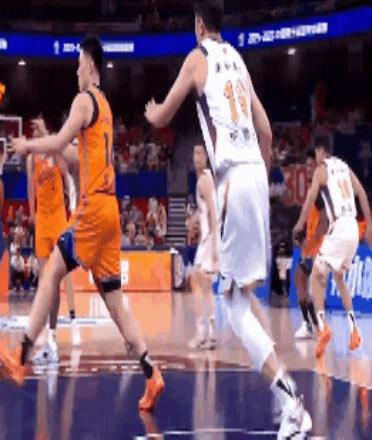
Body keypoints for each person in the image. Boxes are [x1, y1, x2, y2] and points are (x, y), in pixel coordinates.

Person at [144, 1, 311, 436]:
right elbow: (266, 131)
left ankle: (289, 399)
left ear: (199, 24)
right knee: (241, 296)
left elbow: (164, 115)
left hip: (234, 178)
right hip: (255, 173)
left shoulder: (197, 58)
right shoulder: (238, 59)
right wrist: (260, 175)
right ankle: (284, 387)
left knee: (233, 306)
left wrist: (150, 110)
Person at [0, 35, 164, 412]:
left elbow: (60, 143)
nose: (76, 72)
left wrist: (29, 146)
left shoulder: (83, 99)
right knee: (116, 302)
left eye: (78, 64)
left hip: (92, 210)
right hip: (111, 211)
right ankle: (152, 374)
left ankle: (21, 355)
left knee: (51, 271)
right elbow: (73, 153)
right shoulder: (104, 107)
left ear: (90, 64)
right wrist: (49, 140)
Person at [293, 135, 372, 358]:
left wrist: (299, 223)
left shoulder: (321, 170)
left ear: (320, 151)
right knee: (339, 278)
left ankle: (322, 326)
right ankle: (354, 330)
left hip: (338, 227)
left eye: (316, 153)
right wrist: (370, 224)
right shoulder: (345, 167)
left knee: (315, 277)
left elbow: (310, 200)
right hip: (353, 228)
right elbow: (362, 194)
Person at [26, 115, 80, 362]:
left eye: (39, 132)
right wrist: (31, 213)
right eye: (35, 133)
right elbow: (31, 188)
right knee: (44, 281)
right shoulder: (31, 159)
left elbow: (67, 175)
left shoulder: (56, 154)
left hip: (59, 219)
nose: (36, 136)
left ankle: (58, 332)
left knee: (59, 277)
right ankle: (44, 337)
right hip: (42, 222)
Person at [187, 144, 219, 350]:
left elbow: (214, 213)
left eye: (200, 153)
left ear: (207, 157)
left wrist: (215, 247)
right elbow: (205, 210)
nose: (196, 156)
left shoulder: (204, 181)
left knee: (199, 283)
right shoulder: (204, 179)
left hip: (210, 239)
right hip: (208, 238)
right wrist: (194, 219)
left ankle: (203, 333)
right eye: (194, 152)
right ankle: (209, 333)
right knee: (202, 285)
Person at [293, 150, 327, 339]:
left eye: (310, 166)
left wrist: (313, 240)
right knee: (301, 280)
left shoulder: (319, 192)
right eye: (305, 166)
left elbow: (324, 220)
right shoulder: (312, 189)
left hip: (318, 248)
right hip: (310, 247)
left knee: (304, 281)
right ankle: (312, 324)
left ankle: (312, 325)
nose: (307, 169)